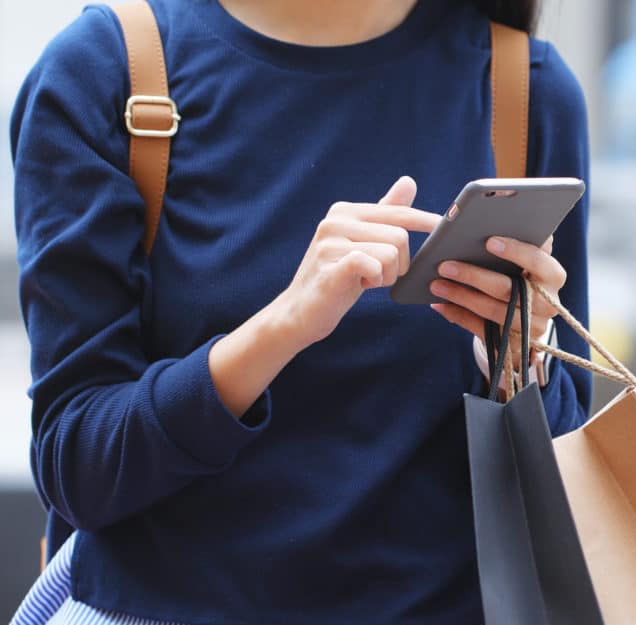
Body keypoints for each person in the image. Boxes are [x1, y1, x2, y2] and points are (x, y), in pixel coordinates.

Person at [8, 0, 591, 623]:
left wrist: (515, 361)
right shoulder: (110, 71)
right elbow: (77, 466)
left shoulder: (523, 87)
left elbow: (570, 494)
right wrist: (284, 326)